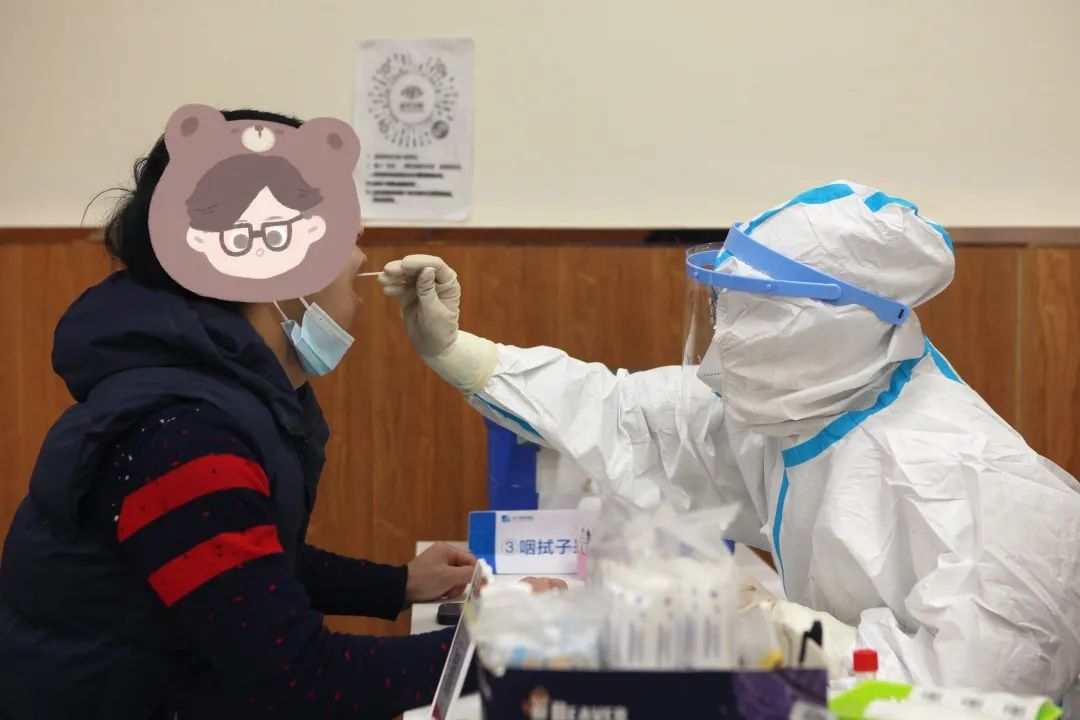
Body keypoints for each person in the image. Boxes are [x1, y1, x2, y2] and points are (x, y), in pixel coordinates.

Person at [380, 181, 1080, 704]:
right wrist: (459, 352)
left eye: (754, 316)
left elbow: (970, 698)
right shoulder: (806, 406)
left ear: (840, 324)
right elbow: (627, 416)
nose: (724, 348)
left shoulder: (981, 485)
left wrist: (773, 627)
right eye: (724, 309)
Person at [0, 109, 479, 720]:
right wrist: (507, 647)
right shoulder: (185, 436)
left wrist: (397, 584)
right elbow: (299, 678)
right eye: (342, 233)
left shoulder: (209, 390)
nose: (358, 254)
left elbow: (239, 563)